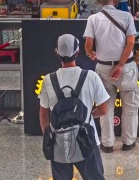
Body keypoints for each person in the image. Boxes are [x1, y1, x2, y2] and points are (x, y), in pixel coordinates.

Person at [40, 34, 111, 180]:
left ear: (56, 53)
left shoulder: (48, 80)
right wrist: (89, 116)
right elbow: (104, 109)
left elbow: (43, 114)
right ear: (77, 53)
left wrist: (50, 137)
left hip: (59, 143)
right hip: (87, 140)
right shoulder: (91, 76)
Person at [84, 0, 138, 153]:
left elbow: (88, 44)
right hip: (126, 68)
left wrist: (90, 53)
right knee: (130, 104)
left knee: (105, 106)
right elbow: (130, 43)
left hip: (103, 69)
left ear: (98, 1)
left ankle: (107, 144)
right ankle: (128, 141)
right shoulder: (126, 16)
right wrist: (120, 65)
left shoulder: (93, 19)